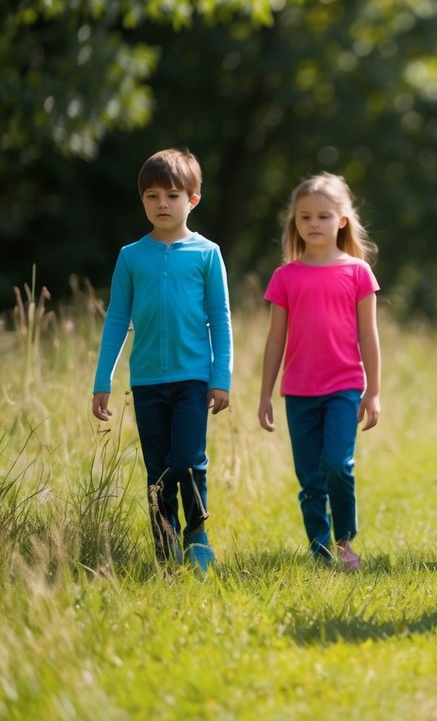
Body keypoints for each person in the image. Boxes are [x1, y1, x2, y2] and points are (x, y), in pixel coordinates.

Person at [92, 148, 232, 571]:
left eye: (172, 195)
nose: (161, 204)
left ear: (193, 200)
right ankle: (164, 543)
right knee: (157, 469)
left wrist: (220, 376)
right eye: (151, 196)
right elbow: (117, 319)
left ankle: (196, 531)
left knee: (188, 460)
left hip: (193, 378)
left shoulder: (207, 254)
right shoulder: (131, 256)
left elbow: (220, 319)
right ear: (143, 202)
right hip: (148, 380)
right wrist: (103, 380)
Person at [258, 173, 381, 570]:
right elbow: (275, 340)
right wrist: (264, 395)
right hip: (298, 391)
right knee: (310, 477)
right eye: (305, 217)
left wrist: (373, 391)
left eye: (323, 216)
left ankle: (345, 541)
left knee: (337, 466)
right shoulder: (285, 277)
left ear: (342, 219)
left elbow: (369, 334)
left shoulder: (358, 272)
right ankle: (319, 549)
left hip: (345, 386)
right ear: (295, 221)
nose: (314, 224)